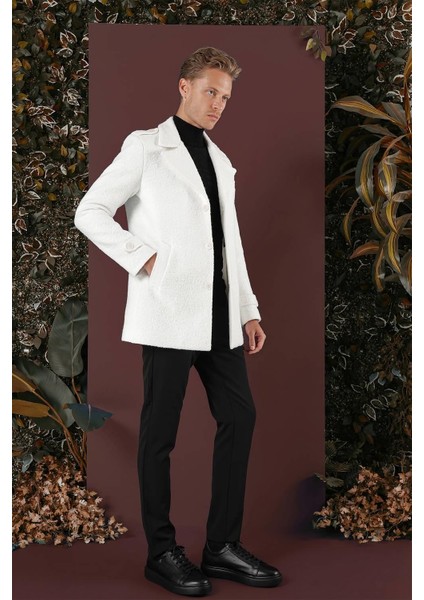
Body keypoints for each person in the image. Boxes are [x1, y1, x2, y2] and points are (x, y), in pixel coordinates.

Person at [74, 46, 282, 596]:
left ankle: (222, 547)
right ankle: (162, 553)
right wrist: (142, 257)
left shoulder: (220, 161)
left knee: (240, 416)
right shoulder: (146, 147)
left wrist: (249, 309)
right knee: (160, 434)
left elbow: (230, 244)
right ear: (184, 87)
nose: (218, 104)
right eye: (211, 91)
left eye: (226, 97)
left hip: (219, 315)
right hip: (168, 311)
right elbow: (90, 210)